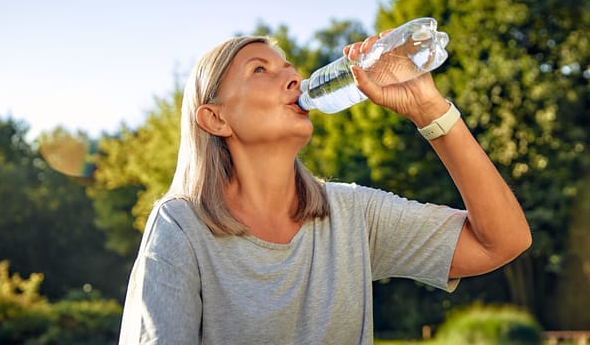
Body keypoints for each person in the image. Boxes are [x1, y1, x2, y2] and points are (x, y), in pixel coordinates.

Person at [118, 31, 532, 345]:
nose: (293, 77)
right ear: (215, 119)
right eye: (260, 69)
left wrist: (429, 110)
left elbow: (502, 242)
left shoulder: (352, 215)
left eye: (289, 66)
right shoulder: (181, 226)